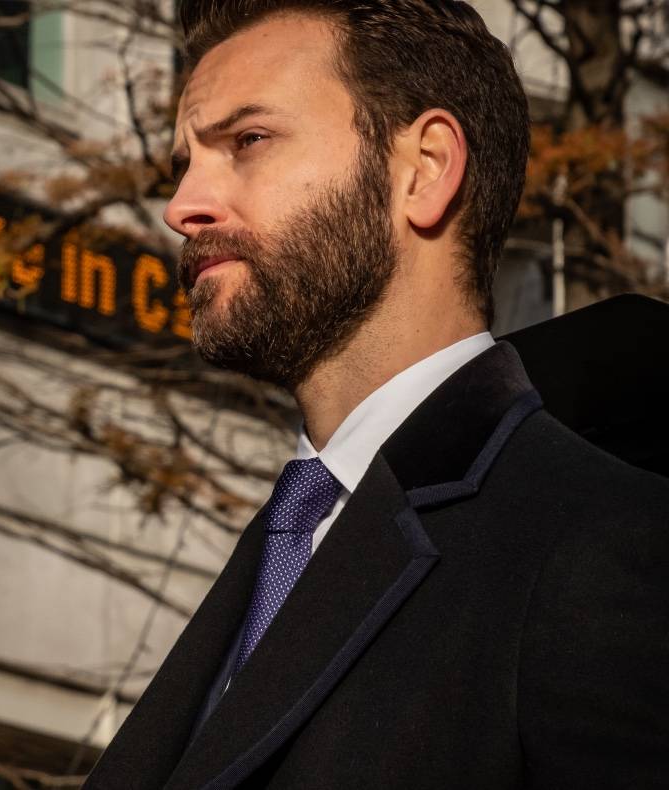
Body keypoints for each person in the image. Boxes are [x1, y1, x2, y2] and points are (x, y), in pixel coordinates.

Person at [84, 2, 669, 788]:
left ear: (424, 169)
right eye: (185, 161)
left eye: (248, 141)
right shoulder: (284, 549)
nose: (182, 205)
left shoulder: (601, 544)